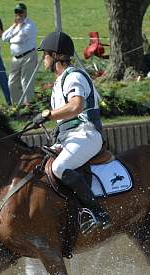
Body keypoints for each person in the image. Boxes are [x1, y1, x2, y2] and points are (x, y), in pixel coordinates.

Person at [32, 31, 111, 234]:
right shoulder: (59, 82)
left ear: (56, 55)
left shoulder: (74, 76)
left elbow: (76, 106)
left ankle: (98, 213)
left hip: (87, 135)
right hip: (69, 138)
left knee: (60, 167)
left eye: (45, 54)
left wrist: (48, 115)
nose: (43, 59)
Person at [1, 3, 38, 105]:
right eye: (17, 12)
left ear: (25, 12)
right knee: (12, 83)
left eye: (21, 12)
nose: (19, 14)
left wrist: (10, 39)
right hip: (16, 58)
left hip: (28, 56)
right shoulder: (16, 25)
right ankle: (17, 106)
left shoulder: (30, 25)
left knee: (26, 83)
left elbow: (20, 39)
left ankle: (29, 106)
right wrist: (14, 26)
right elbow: (4, 37)